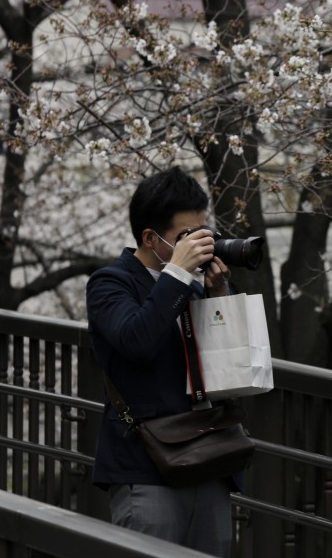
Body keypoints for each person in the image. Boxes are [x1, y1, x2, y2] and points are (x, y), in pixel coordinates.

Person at [86, 167, 235, 557]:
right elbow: (137, 341)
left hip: (210, 456)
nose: (200, 245)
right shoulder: (110, 283)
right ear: (151, 238)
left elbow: (234, 367)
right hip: (147, 465)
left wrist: (218, 294)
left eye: (203, 233)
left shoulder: (194, 286)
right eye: (187, 237)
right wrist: (178, 273)